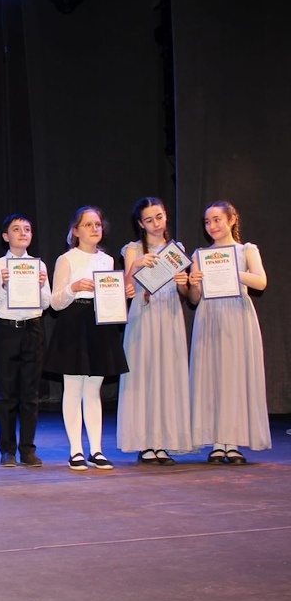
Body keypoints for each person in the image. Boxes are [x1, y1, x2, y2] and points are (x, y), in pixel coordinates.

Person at [43, 206, 130, 471]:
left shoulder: (107, 261)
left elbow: (109, 296)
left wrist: (122, 295)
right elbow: (55, 302)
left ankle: (96, 449)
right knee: (73, 388)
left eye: (98, 224)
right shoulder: (67, 259)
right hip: (73, 323)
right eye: (88, 224)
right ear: (76, 231)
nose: (94, 229)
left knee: (93, 390)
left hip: (99, 324)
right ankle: (76, 450)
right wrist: (74, 287)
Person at [188, 200, 269, 465]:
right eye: (207, 222)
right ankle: (216, 442)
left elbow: (260, 281)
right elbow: (194, 299)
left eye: (217, 220)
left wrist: (233, 271)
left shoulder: (246, 250)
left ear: (231, 220)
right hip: (209, 316)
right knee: (210, 375)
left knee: (234, 377)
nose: (212, 226)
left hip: (236, 315)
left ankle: (232, 442)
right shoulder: (200, 255)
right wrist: (194, 284)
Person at [117, 197, 192, 465]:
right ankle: (145, 442)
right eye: (149, 220)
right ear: (141, 224)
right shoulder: (133, 249)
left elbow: (186, 293)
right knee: (144, 375)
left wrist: (183, 283)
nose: (156, 224)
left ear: (166, 216)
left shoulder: (177, 249)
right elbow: (125, 288)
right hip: (144, 314)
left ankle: (164, 441)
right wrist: (136, 265)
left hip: (169, 314)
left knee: (168, 375)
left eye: (159, 217)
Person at [0, 213, 51, 467]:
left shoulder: (39, 266)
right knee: (7, 395)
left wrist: (41, 286)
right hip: (7, 331)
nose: (23, 233)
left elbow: (47, 303)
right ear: (6, 236)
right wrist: (4, 286)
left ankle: (28, 449)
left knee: (30, 394)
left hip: (33, 330)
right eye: (16, 229)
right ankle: (7, 450)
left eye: (27, 229)